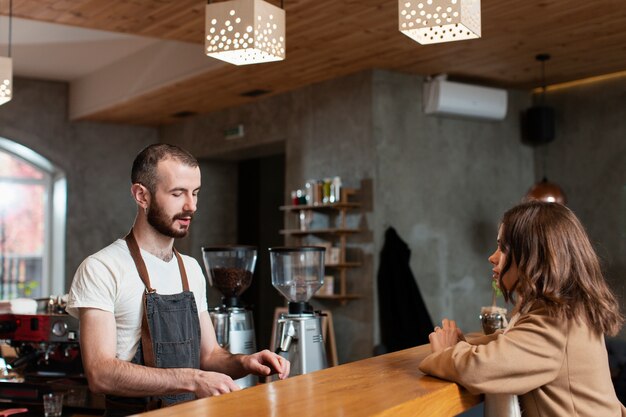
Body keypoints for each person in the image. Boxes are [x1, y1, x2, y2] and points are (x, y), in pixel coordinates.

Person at [67, 144, 290, 416]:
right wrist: (193, 380)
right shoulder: (101, 268)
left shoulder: (191, 269)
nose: (191, 206)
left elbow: (209, 357)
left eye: (195, 193)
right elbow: (100, 374)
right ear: (141, 195)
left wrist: (246, 361)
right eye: (177, 193)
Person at [419, 201, 626, 417]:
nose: (492, 257)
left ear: (535, 255)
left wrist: (447, 352)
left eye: (503, 248)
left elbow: (480, 369)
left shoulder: (555, 319)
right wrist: (462, 345)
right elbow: (512, 343)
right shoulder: (565, 309)